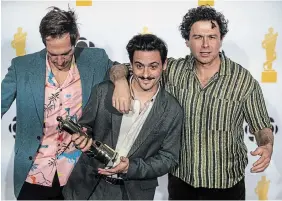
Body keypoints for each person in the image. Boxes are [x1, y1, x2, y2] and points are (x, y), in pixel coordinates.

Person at [110, 5, 274, 200]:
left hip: (227, 184)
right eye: (197, 37)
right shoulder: (173, 70)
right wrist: (120, 81)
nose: (205, 45)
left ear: (221, 40)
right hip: (181, 181)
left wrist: (266, 145)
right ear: (187, 41)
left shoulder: (242, 80)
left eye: (212, 37)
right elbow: (122, 68)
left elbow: (262, 126)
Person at [1, 7, 113, 200]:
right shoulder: (22, 67)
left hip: (79, 173)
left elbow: (121, 69)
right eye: (53, 54)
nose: (60, 60)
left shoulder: (96, 59)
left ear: (76, 38)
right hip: (34, 172)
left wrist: (119, 81)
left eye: (66, 53)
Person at [62, 34, 184, 200]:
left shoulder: (172, 109)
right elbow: (86, 127)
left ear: (164, 64)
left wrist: (131, 167)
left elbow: (168, 159)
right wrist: (82, 137)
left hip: (132, 194)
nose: (146, 74)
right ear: (131, 64)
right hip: (87, 187)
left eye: (153, 66)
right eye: (139, 66)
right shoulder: (104, 91)